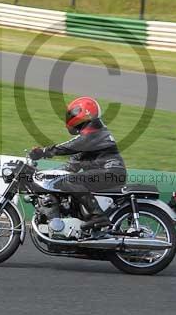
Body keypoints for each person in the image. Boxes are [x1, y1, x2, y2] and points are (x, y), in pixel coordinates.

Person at [29, 97, 127, 230]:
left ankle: (97, 216)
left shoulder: (95, 133)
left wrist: (44, 151)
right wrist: (46, 175)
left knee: (72, 181)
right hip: (107, 173)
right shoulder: (87, 141)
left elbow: (69, 147)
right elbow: (71, 166)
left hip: (111, 172)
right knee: (67, 180)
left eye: (72, 114)